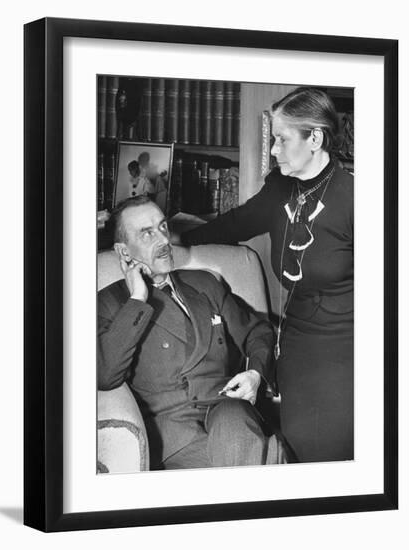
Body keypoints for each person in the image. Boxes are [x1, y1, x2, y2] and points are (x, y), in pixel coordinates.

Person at [180, 87, 354, 463]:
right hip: (295, 352)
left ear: (316, 139)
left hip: (350, 356)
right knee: (298, 458)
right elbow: (234, 225)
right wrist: (172, 239)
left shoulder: (360, 198)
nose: (273, 150)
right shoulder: (280, 189)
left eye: (281, 139)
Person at [98, 195, 290, 470]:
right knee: (261, 462)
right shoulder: (109, 303)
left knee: (237, 429)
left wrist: (256, 374)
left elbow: (257, 331)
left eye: (163, 227)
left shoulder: (204, 283)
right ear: (124, 252)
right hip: (174, 433)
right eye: (147, 233)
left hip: (228, 406)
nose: (163, 240)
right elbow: (105, 374)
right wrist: (138, 298)